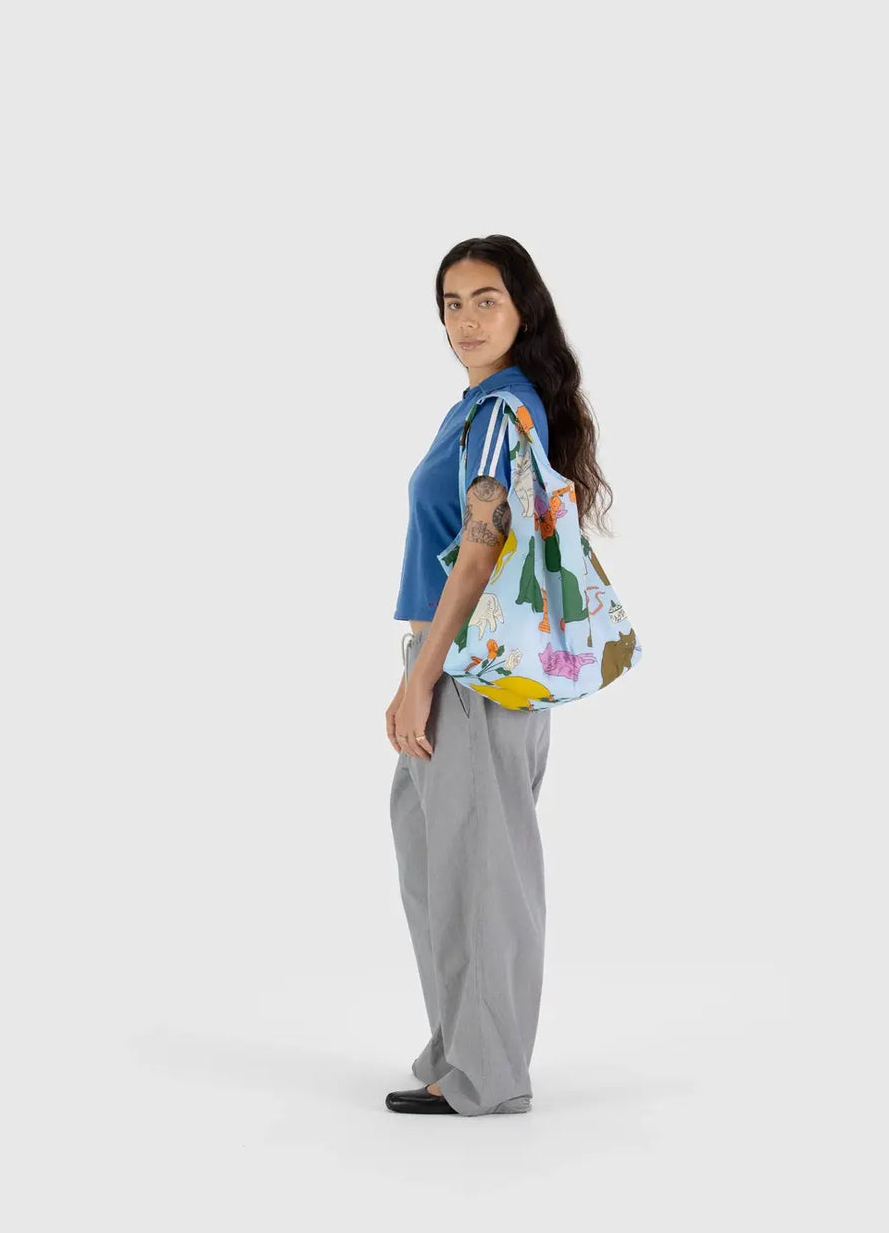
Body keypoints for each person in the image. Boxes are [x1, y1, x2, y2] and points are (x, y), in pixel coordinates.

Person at [385, 234, 613, 1116]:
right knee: (441, 862)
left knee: (480, 870)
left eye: (487, 300)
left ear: (524, 310)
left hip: (468, 671)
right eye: (453, 303)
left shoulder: (499, 412)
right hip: (463, 666)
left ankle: (487, 1076)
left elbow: (479, 553)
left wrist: (420, 677)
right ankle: (459, 1055)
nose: (467, 320)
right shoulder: (484, 407)